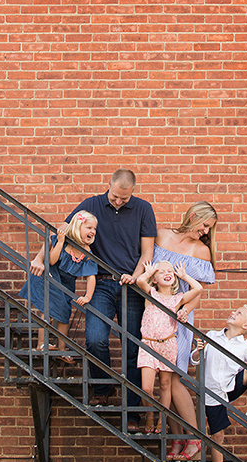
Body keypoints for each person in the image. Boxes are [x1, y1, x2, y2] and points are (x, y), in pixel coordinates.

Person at [35, 169, 157, 416]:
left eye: (124, 198)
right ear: (109, 184)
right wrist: (40, 257)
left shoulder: (144, 209)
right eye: (115, 196)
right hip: (99, 283)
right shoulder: (91, 204)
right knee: (95, 338)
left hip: (131, 287)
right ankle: (103, 388)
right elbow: (62, 231)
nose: (119, 202)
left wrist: (135, 276)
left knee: (132, 347)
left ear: (132, 191)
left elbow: (147, 252)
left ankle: (133, 412)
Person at [142, 202, 220, 450]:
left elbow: (198, 292)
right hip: (155, 316)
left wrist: (185, 311)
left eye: (209, 229)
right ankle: (178, 439)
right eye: (205, 225)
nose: (206, 232)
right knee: (164, 381)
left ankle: (195, 439)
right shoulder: (162, 235)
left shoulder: (200, 250)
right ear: (194, 216)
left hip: (180, 319)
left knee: (174, 379)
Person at [191, 304, 247, 462]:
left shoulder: (245, 346)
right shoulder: (212, 336)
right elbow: (194, 361)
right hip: (212, 393)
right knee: (218, 434)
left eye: (239, 313)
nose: (233, 313)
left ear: (245, 326)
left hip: (230, 387)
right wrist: (198, 350)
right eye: (234, 311)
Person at [132, 260, 203, 448]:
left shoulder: (177, 298)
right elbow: (139, 281)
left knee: (165, 385)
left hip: (168, 345)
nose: (167, 273)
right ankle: (150, 415)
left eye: (169, 271)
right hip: (149, 345)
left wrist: (184, 275)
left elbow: (197, 289)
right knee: (147, 387)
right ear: (155, 279)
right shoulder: (151, 294)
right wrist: (148, 272)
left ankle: (162, 420)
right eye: (161, 271)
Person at [18, 210, 101, 363]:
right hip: (52, 278)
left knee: (64, 314)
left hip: (67, 285)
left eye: (94, 229)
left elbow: (91, 278)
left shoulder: (88, 252)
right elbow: (51, 261)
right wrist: (61, 242)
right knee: (48, 309)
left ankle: (62, 349)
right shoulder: (63, 241)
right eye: (89, 228)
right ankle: (42, 344)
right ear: (77, 227)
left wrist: (88, 296)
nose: (93, 231)